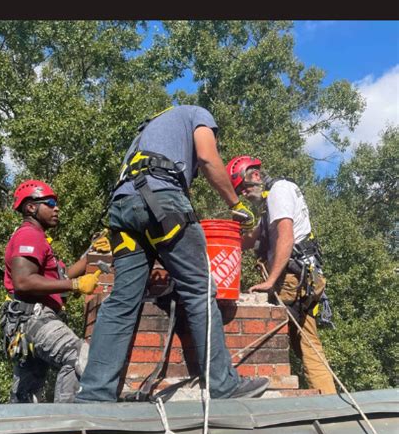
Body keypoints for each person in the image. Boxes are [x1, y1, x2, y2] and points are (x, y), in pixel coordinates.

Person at [75, 105, 269, 403]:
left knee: (122, 299)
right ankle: (223, 385)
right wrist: (235, 204)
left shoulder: (148, 129)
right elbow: (206, 156)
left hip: (122, 208)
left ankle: (94, 394)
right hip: (162, 200)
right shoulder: (198, 114)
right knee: (199, 290)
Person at [226, 156, 336, 394]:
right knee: (307, 342)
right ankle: (328, 398)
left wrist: (270, 280)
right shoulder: (272, 202)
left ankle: (268, 388)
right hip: (302, 277)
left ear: (256, 175)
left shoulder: (278, 192)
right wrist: (227, 233)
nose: (244, 194)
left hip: (291, 278)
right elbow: (250, 239)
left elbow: (285, 236)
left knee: (270, 331)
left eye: (244, 188)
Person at [1, 179, 110, 403]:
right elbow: (23, 281)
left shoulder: (39, 239)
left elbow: (62, 277)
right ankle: (68, 423)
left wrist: (90, 256)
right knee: (76, 355)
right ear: (31, 207)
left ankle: (22, 432)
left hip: (25, 323)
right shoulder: (28, 235)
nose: (56, 208)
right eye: (50, 202)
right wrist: (76, 286)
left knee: (27, 393)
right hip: (33, 318)